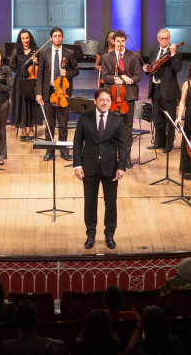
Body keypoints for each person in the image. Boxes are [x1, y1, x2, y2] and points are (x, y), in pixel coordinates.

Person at [73, 88, 127, 250]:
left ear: (111, 102)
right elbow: (77, 143)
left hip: (110, 168)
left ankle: (109, 234)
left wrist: (121, 167)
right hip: (89, 166)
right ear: (95, 101)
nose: (105, 103)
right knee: (90, 202)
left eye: (108, 100)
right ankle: (91, 234)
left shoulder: (117, 120)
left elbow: (123, 147)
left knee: (111, 203)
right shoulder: (85, 118)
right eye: (101, 100)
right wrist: (77, 165)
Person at [35, 26, 80, 161]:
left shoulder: (69, 53)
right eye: (55, 36)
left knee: (63, 124)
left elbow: (76, 70)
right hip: (48, 92)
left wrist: (68, 73)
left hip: (63, 93)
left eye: (60, 36)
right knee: (49, 124)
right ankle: (50, 150)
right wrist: (38, 93)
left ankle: (63, 150)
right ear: (50, 38)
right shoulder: (44, 53)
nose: (57, 38)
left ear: (63, 37)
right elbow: (40, 76)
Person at [100, 30, 142, 168]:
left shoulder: (134, 56)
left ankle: (126, 158)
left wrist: (125, 80)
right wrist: (116, 79)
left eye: (122, 41)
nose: (120, 44)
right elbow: (105, 77)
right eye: (117, 41)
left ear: (125, 41)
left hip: (128, 96)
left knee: (127, 128)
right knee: (111, 128)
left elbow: (138, 76)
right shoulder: (106, 57)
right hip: (112, 97)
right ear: (113, 41)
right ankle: (112, 157)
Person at [144, 29, 182, 153]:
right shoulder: (154, 51)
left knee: (169, 120)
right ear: (158, 39)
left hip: (169, 91)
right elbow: (152, 68)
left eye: (166, 38)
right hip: (155, 90)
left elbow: (177, 68)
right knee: (157, 119)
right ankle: (159, 142)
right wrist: (146, 69)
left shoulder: (176, 52)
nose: (164, 40)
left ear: (170, 38)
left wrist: (173, 54)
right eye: (162, 38)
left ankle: (168, 144)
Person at [9, 28, 39, 141]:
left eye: (27, 38)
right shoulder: (17, 50)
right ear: (20, 40)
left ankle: (31, 128)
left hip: (32, 78)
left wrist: (37, 62)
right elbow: (11, 64)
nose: (25, 40)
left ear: (30, 38)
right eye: (23, 38)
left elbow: (41, 65)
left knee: (30, 103)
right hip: (20, 79)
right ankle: (23, 128)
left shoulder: (35, 50)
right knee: (21, 103)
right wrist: (19, 71)